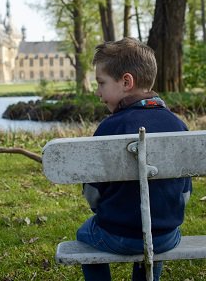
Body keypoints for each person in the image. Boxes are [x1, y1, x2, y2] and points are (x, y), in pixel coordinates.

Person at [77, 37, 191, 281]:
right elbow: (184, 193)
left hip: (118, 234)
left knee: (84, 233)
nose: (98, 92)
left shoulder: (109, 128)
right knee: (153, 239)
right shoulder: (177, 125)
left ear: (126, 82)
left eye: (101, 83)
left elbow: (93, 193)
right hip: (164, 235)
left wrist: (103, 211)